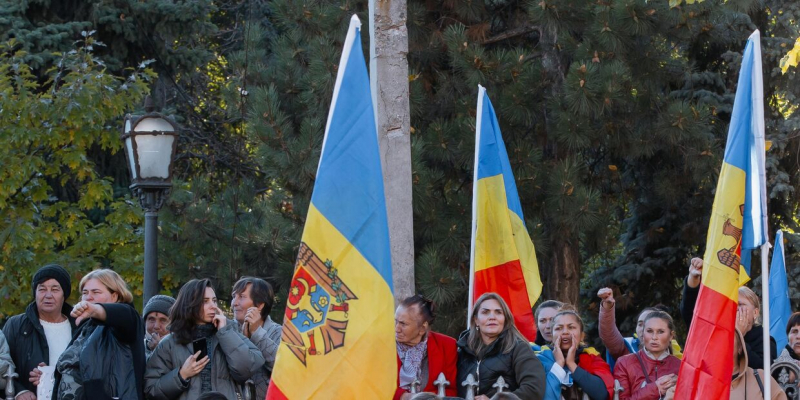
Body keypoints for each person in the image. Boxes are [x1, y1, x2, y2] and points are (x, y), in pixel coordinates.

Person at [145, 279, 264, 400]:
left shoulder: (229, 332)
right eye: (205, 301)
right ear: (189, 304)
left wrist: (225, 333)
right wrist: (181, 375)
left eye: (214, 300)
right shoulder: (170, 343)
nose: (213, 306)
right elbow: (151, 390)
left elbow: (247, 369)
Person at [56, 269, 146, 400]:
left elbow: (124, 314)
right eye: (85, 293)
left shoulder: (128, 321)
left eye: (96, 292)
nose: (88, 297)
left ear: (115, 296)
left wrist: (95, 309)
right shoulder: (87, 327)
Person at [680, 257, 777, 369]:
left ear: (755, 313)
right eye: (731, 305)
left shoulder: (764, 339)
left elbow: (761, 370)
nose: (735, 309)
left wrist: (738, 336)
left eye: (740, 305)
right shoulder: (717, 330)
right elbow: (692, 315)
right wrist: (693, 278)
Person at [3, 264, 76, 400]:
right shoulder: (16, 325)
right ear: (35, 293)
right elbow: (2, 366)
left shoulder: (79, 327)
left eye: (55, 289)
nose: (48, 295)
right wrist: (19, 391)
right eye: (42, 289)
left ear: (64, 294)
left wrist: (53, 376)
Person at [456, 293, 546, 400]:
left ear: (505, 319)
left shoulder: (519, 348)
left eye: (498, 312)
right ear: (476, 320)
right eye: (485, 312)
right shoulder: (461, 349)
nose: (492, 317)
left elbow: (534, 389)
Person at [597, 288, 682, 371]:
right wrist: (607, 307)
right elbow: (608, 334)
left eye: (649, 325)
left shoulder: (677, 361)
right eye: (640, 324)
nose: (643, 329)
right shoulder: (626, 347)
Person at [537, 309, 614, 400]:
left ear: (582, 336)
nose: (565, 332)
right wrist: (559, 364)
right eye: (559, 328)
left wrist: (572, 364)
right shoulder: (540, 359)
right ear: (552, 336)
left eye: (571, 327)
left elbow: (602, 394)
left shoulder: (592, 357)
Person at [393, 295, 457, 400]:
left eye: (403, 324)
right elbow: (373, 383)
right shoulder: (383, 345)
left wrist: (425, 398)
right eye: (396, 321)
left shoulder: (447, 346)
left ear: (422, 328)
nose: (396, 329)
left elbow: (451, 390)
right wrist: (403, 396)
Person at [231, 277, 281, 400]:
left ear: (259, 305)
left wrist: (257, 333)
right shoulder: (227, 331)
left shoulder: (279, 332)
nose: (234, 303)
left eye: (241, 297)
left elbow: (282, 367)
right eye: (234, 297)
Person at [612, 311, 681, 400]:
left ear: (671, 335)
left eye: (660, 332)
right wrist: (656, 388)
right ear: (643, 334)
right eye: (649, 331)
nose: (654, 337)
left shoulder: (680, 367)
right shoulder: (624, 363)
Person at [729, 327, 786, 399]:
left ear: (740, 348)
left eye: (728, 335)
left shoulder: (761, 378)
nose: (721, 342)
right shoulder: (710, 382)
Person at [144, 295, 176, 360]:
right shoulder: (135, 348)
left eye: (163, 320)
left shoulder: (184, 349)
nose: (156, 326)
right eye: (151, 319)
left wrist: (160, 351)